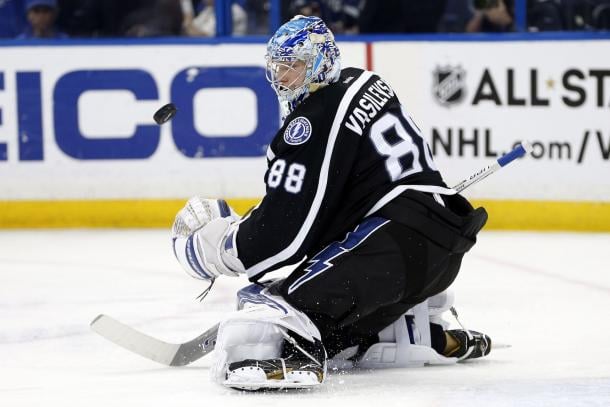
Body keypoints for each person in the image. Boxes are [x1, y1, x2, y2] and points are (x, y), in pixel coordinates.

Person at [171, 15, 492, 390]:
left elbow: (283, 234)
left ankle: (295, 354)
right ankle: (414, 328)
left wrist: (215, 248)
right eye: (277, 67)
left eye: (293, 66)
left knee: (273, 307)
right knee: (331, 321)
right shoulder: (366, 81)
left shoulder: (311, 120)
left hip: (391, 247)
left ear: (321, 62)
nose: (282, 78)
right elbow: (332, 211)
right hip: (440, 254)